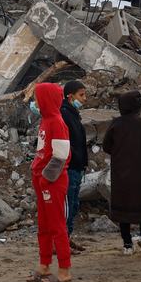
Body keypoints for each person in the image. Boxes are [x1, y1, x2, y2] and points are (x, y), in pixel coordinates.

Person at [25, 83, 73, 282]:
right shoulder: (46, 120)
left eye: (37, 98)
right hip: (42, 179)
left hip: (51, 181)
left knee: (56, 225)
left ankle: (64, 270)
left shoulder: (56, 122)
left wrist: (46, 178)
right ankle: (44, 264)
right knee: (44, 225)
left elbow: (61, 155)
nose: (35, 103)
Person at [103, 90, 141, 255]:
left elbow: (106, 146)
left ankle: (127, 244)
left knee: (122, 206)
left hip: (121, 172)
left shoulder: (116, 124)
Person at [60, 80, 88, 253]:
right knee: (68, 205)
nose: (84, 99)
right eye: (81, 95)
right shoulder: (65, 114)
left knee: (73, 204)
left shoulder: (72, 113)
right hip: (69, 167)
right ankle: (62, 242)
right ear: (70, 96)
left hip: (76, 166)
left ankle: (66, 238)